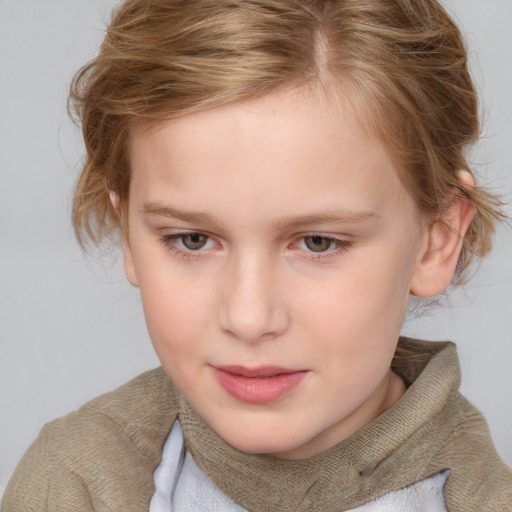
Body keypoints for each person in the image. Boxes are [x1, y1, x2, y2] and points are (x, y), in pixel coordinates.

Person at [2, 0, 511, 510]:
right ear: (126, 232)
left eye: (318, 243)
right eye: (192, 239)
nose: (248, 318)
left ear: (436, 240)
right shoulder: (73, 484)